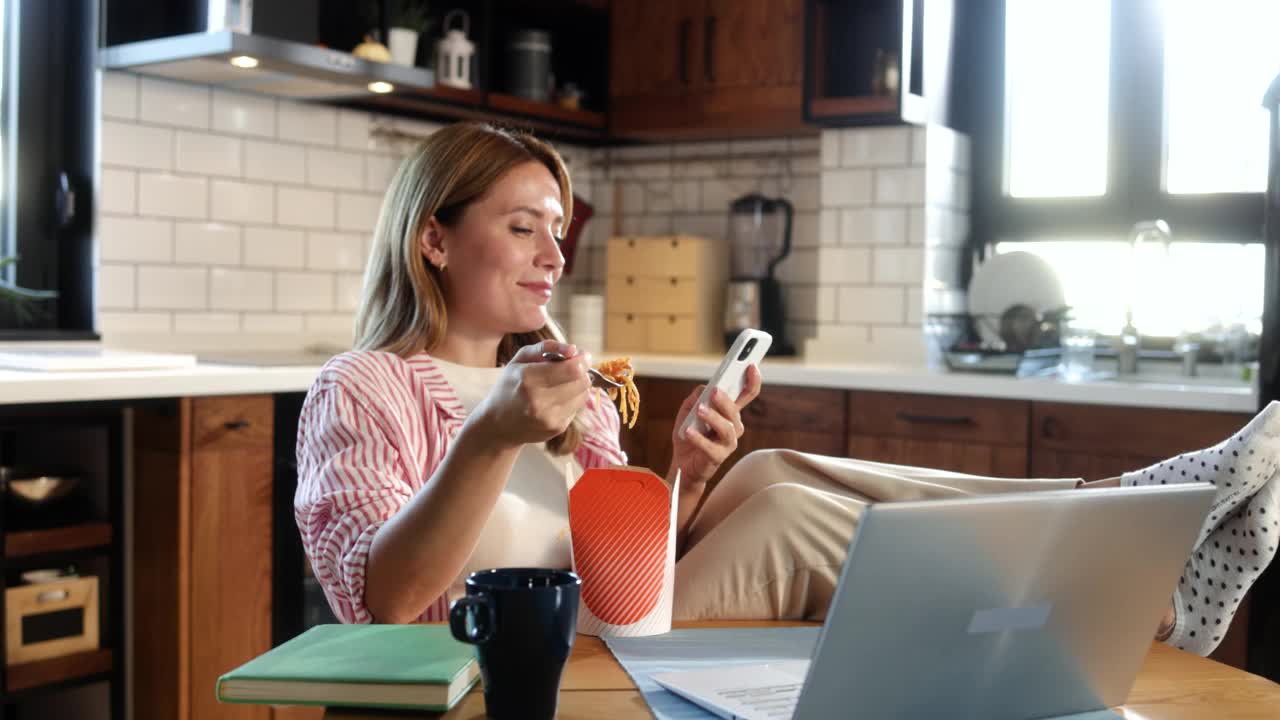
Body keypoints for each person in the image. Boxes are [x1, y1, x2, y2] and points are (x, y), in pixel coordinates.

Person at [295, 122, 1278, 659]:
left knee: (766, 469)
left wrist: (678, 470)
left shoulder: (573, 387)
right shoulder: (364, 388)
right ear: (433, 237)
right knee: (794, 518)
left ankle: (1126, 522)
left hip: (611, 620)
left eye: (559, 228)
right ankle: (1127, 586)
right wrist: (489, 437)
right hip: (502, 661)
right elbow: (380, 601)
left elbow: (631, 569)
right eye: (522, 227)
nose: (555, 253)